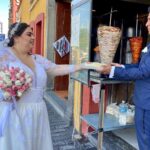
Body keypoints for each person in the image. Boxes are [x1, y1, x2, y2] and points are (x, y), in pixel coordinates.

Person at [0, 22, 103, 150]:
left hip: (39, 112)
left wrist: (84, 66)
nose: (33, 37)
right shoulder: (3, 58)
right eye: (29, 34)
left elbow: (57, 68)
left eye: (33, 34)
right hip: (16, 114)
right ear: (15, 37)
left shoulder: (37, 59)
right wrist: (5, 93)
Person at [100, 7, 150, 150]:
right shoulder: (149, 46)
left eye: (149, 20)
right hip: (143, 102)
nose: (146, 24)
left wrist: (113, 70)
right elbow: (139, 66)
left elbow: (142, 73)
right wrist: (120, 66)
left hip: (147, 104)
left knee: (145, 141)